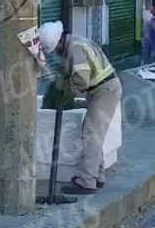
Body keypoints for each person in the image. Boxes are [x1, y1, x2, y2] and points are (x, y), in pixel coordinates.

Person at [40, 20, 121, 195]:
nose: (55, 53)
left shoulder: (75, 49)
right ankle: (97, 176)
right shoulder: (75, 42)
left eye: (54, 49)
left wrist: (66, 86)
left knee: (92, 134)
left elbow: (82, 80)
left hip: (104, 90)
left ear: (60, 42)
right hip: (103, 89)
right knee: (92, 132)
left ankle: (86, 181)